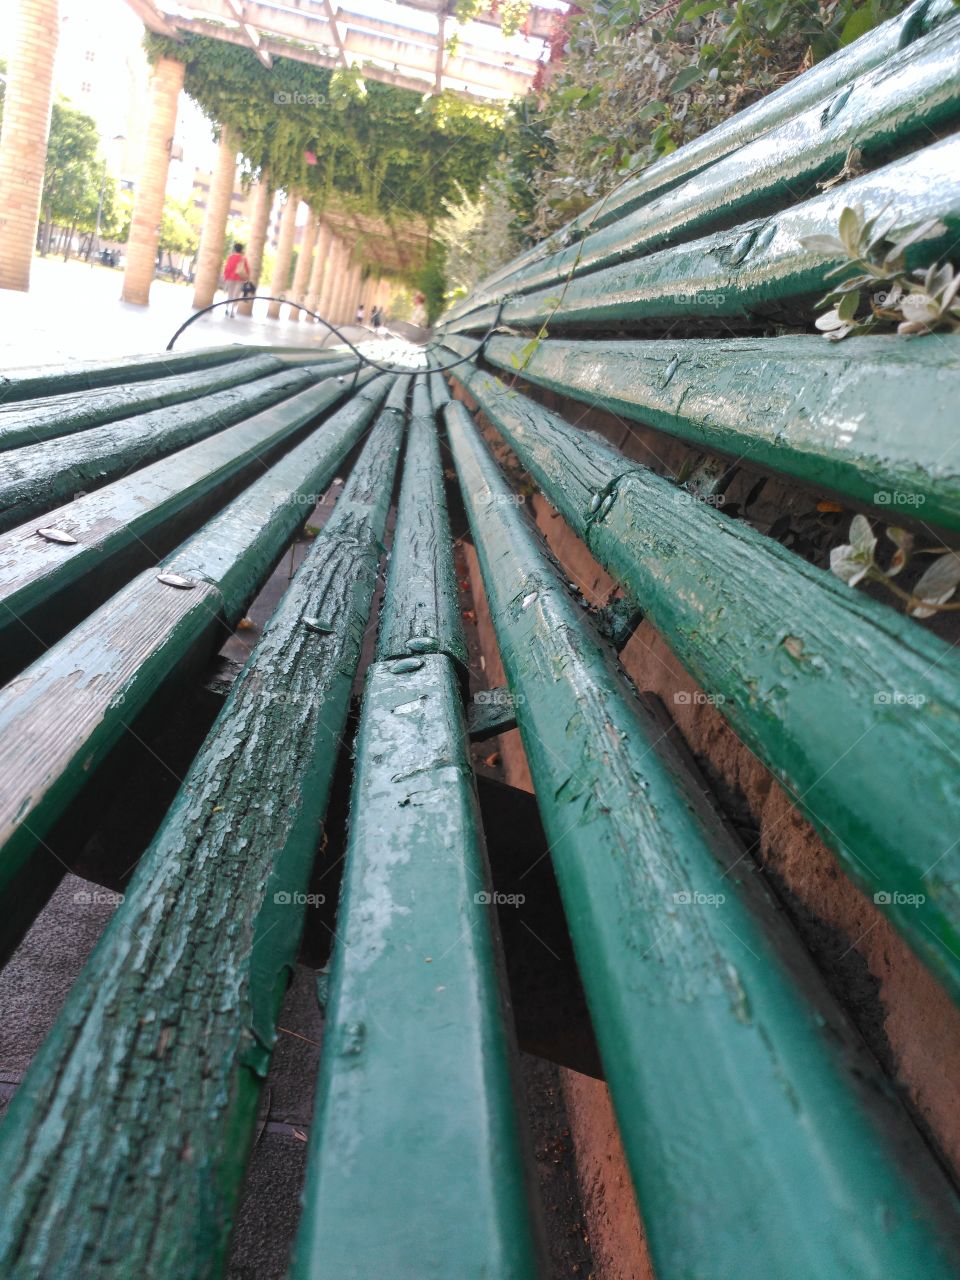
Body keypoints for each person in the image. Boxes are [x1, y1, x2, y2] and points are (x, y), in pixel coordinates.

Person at [223, 242, 251, 317]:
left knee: (230, 294)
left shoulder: (231, 257)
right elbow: (247, 270)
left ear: (234, 249)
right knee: (236, 295)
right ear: (241, 249)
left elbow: (227, 268)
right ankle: (232, 311)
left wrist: (226, 277)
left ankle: (227, 309)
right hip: (239, 279)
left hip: (230, 278)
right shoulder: (243, 258)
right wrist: (246, 278)